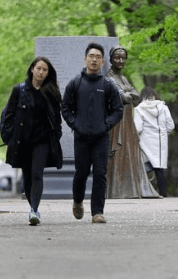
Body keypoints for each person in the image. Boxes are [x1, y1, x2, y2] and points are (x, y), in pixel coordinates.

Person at [61, 43, 124, 224]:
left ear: (102, 61)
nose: (94, 59)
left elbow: (118, 110)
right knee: (81, 173)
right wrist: (75, 124)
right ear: (85, 59)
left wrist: (106, 125)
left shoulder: (107, 85)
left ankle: (97, 212)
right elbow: (66, 108)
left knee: (100, 173)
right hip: (81, 137)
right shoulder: (75, 83)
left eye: (98, 57)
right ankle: (78, 201)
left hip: (101, 138)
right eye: (91, 56)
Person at [0, 57, 63, 226]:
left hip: (42, 140)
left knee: (37, 174)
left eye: (45, 70)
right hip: (23, 140)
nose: (41, 72)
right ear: (32, 69)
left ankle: (34, 210)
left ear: (48, 73)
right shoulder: (19, 90)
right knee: (26, 177)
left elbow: (57, 119)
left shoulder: (51, 92)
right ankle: (33, 208)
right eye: (39, 68)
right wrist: (8, 138)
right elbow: (9, 116)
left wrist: (56, 135)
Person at [105, 46, 159, 199]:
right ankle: (119, 189)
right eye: (117, 58)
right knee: (119, 154)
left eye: (123, 58)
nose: (120, 61)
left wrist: (128, 93)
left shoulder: (122, 78)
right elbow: (126, 97)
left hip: (128, 121)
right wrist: (128, 94)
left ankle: (130, 188)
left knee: (129, 153)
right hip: (118, 123)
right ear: (111, 59)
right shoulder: (109, 77)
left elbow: (135, 94)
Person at [134, 86, 175, 197]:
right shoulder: (163, 107)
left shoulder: (139, 109)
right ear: (154, 96)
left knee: (144, 167)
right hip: (161, 142)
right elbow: (171, 125)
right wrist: (163, 132)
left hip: (146, 141)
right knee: (159, 169)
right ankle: (163, 193)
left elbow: (138, 128)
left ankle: (143, 192)